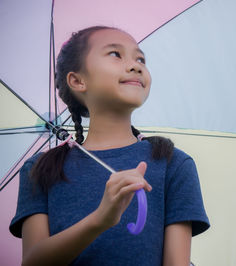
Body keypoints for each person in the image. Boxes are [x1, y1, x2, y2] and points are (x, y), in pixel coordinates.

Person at [9, 26, 210, 266]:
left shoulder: (173, 163)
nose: (136, 65)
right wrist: (100, 219)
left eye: (140, 59)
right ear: (77, 80)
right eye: (115, 54)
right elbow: (32, 261)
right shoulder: (39, 169)